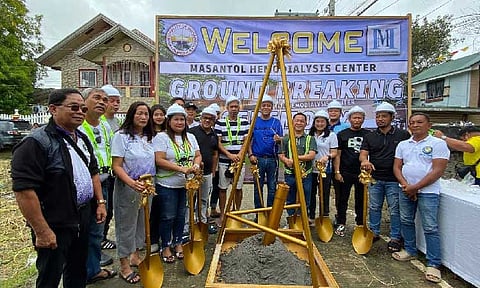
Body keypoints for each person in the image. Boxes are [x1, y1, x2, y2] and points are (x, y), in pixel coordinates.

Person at [11, 88, 106, 288]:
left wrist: (100, 202)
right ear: (53, 109)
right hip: (55, 222)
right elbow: (24, 191)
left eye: (82, 108)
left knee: (77, 270)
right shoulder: (35, 143)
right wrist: (42, 230)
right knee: (50, 275)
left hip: (82, 217)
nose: (80, 111)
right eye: (73, 107)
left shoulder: (81, 138)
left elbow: (93, 172)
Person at [393, 112, 449, 283]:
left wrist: (415, 187)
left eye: (419, 122)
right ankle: (410, 250)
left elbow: (437, 171)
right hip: (405, 188)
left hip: (428, 191)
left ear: (428, 125)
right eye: (412, 122)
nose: (415, 125)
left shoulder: (438, 144)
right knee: (406, 220)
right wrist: (405, 185)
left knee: (430, 226)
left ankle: (433, 263)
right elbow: (397, 167)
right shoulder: (403, 144)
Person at [111, 101, 155, 284]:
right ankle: (124, 265)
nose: (144, 117)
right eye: (140, 113)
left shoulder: (149, 137)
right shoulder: (121, 137)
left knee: (141, 224)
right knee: (126, 226)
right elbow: (116, 166)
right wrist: (131, 183)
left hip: (148, 186)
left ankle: (135, 256)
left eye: (146, 114)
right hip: (128, 187)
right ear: (131, 115)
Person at [153, 103, 202, 263]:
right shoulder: (161, 137)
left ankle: (178, 243)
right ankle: (165, 246)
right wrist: (181, 169)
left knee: (181, 215)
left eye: (182, 119)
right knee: (168, 216)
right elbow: (159, 159)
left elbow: (197, 155)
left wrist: (195, 165)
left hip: (186, 185)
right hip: (167, 185)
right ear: (169, 121)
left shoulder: (191, 137)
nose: (180, 122)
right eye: (176, 119)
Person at [359, 102, 410, 252]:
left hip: (395, 179)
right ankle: (374, 232)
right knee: (374, 207)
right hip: (375, 178)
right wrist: (365, 161)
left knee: (394, 209)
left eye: (384, 116)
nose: (380, 119)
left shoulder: (403, 135)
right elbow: (363, 154)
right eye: (378, 116)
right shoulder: (370, 136)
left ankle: (395, 237)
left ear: (392, 117)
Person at [79, 88, 116, 283]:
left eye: (105, 99)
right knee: (85, 230)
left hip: (105, 181)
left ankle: (92, 268)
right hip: (85, 186)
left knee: (97, 229)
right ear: (84, 101)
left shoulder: (103, 126)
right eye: (97, 98)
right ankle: (85, 269)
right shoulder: (78, 126)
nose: (102, 102)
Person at [333, 105, 370, 237]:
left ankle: (360, 224)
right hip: (345, 171)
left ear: (363, 119)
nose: (357, 120)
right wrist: (337, 172)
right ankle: (341, 222)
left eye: (360, 118)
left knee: (361, 199)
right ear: (349, 119)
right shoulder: (342, 135)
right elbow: (337, 154)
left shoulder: (368, 135)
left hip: (362, 173)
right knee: (342, 199)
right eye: (354, 118)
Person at [215, 96, 249, 225]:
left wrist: (240, 154)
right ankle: (223, 213)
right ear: (227, 108)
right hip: (225, 161)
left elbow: (246, 141)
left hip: (239, 161)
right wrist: (229, 155)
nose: (234, 109)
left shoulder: (245, 122)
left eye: (236, 107)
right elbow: (218, 143)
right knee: (223, 188)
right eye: (231, 107)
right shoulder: (220, 123)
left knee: (238, 188)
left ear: (239, 108)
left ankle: (236, 213)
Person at [248, 94, 283, 210]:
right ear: (260, 108)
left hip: (272, 159)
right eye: (264, 105)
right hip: (258, 159)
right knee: (258, 187)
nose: (266, 108)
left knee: (272, 187)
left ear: (272, 108)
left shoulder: (276, 122)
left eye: (269, 105)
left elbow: (282, 141)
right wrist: (251, 154)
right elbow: (249, 140)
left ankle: (270, 212)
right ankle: (259, 212)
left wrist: (279, 140)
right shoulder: (254, 122)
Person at [279, 112, 317, 217]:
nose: (299, 123)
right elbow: (281, 154)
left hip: (306, 174)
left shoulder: (310, 138)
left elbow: (312, 155)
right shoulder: (286, 138)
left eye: (302, 121)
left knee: (305, 197)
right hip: (290, 174)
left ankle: (302, 220)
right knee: (290, 197)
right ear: (292, 122)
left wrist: (296, 158)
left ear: (306, 123)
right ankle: (291, 219)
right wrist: (286, 161)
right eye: (297, 121)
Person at [188, 106, 219, 233]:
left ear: (213, 121)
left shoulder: (214, 135)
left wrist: (213, 171)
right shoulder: (192, 132)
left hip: (207, 173)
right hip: (193, 172)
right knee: (191, 198)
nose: (207, 121)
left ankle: (202, 221)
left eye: (210, 119)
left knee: (204, 198)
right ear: (201, 118)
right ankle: (190, 222)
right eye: (205, 118)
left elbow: (215, 154)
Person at [100, 84, 122, 252]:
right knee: (101, 209)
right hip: (101, 174)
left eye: (117, 101)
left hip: (113, 173)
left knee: (110, 209)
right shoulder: (98, 121)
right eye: (111, 101)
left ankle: (104, 237)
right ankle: (99, 241)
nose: (115, 105)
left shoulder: (116, 121)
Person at [308, 110, 338, 224]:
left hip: (325, 170)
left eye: (322, 122)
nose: (319, 124)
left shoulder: (331, 135)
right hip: (311, 170)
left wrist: (327, 156)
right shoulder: (310, 135)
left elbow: (334, 152)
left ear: (326, 123)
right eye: (317, 121)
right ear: (314, 122)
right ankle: (311, 216)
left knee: (324, 194)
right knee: (311, 193)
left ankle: (324, 216)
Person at [149, 104, 167, 253]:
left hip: (164, 177)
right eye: (156, 114)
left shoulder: (169, 133)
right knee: (152, 210)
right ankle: (152, 239)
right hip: (151, 176)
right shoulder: (146, 133)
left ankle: (164, 238)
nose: (159, 117)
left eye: (161, 114)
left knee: (164, 211)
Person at [208, 103, 223, 220]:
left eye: (218, 114)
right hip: (206, 165)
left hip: (218, 163)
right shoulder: (202, 128)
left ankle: (213, 208)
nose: (216, 116)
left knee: (216, 187)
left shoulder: (220, 127)